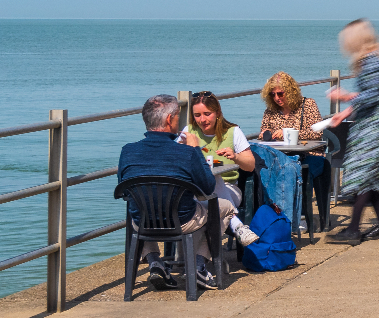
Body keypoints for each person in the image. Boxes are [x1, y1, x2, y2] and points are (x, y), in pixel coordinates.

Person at [120, 94, 230, 290]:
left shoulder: (127, 151)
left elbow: (124, 189)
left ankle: (155, 261)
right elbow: (207, 188)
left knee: (140, 210)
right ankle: (198, 265)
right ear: (170, 119)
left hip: (143, 223)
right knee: (226, 207)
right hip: (182, 221)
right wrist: (195, 149)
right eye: (178, 116)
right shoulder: (186, 153)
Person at [326, 19, 379, 241]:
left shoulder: (371, 61)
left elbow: (372, 95)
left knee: (363, 173)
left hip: (378, 125)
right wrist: (345, 111)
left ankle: (353, 229)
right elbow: (374, 94)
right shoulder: (377, 59)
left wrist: (345, 99)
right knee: (370, 173)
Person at [181, 92, 257, 246]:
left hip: (229, 188)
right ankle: (237, 226)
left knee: (213, 177)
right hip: (197, 191)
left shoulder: (232, 132)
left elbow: (250, 165)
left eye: (207, 114)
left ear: (217, 113)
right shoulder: (189, 131)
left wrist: (235, 156)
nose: (202, 120)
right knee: (207, 177)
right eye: (197, 115)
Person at [257, 71, 332, 213]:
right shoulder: (270, 110)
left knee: (294, 171)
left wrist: (289, 133)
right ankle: (270, 214)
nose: (277, 98)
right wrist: (265, 133)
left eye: (280, 93)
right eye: (272, 95)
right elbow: (263, 133)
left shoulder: (307, 105)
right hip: (279, 157)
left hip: (310, 155)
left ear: (290, 91)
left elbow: (317, 133)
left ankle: (298, 214)